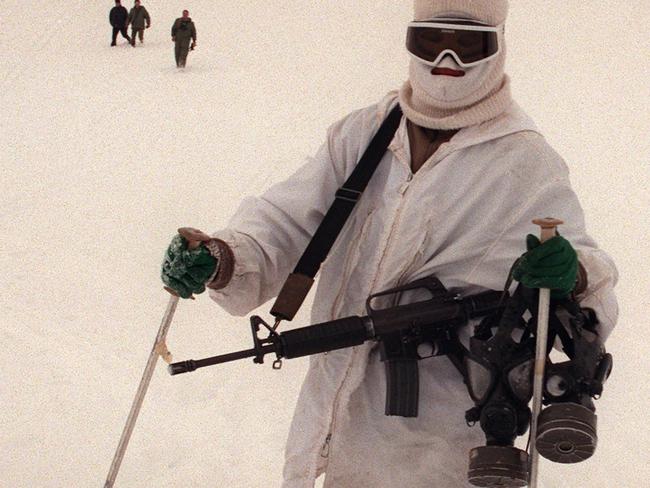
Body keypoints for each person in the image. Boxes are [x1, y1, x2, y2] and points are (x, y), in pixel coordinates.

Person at [160, 1, 618, 486]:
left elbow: (580, 274)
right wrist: (224, 258)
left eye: (468, 46)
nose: (448, 61)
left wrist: (575, 272)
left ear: (497, 48)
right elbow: (289, 219)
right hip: (335, 408)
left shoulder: (523, 158)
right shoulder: (367, 131)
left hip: (443, 431)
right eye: (431, 41)